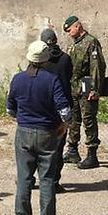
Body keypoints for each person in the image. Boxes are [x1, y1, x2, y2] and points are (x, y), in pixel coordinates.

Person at [6, 40, 72, 215]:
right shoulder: (52, 80)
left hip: (24, 131)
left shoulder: (17, 79)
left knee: (24, 178)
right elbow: (65, 111)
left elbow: (10, 109)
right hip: (47, 133)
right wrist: (63, 126)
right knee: (47, 179)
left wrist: (24, 119)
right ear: (45, 60)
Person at [61, 15, 106, 169]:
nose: (68, 33)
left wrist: (94, 89)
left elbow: (97, 67)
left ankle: (92, 154)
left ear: (77, 26)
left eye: (69, 29)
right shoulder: (74, 45)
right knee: (73, 118)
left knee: (88, 118)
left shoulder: (91, 42)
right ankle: (72, 150)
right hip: (73, 86)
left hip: (87, 83)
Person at [40, 28, 73, 192]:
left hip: (44, 107)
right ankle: (54, 182)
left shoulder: (41, 61)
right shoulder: (66, 59)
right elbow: (69, 77)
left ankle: (35, 179)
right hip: (62, 108)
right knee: (58, 147)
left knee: (40, 147)